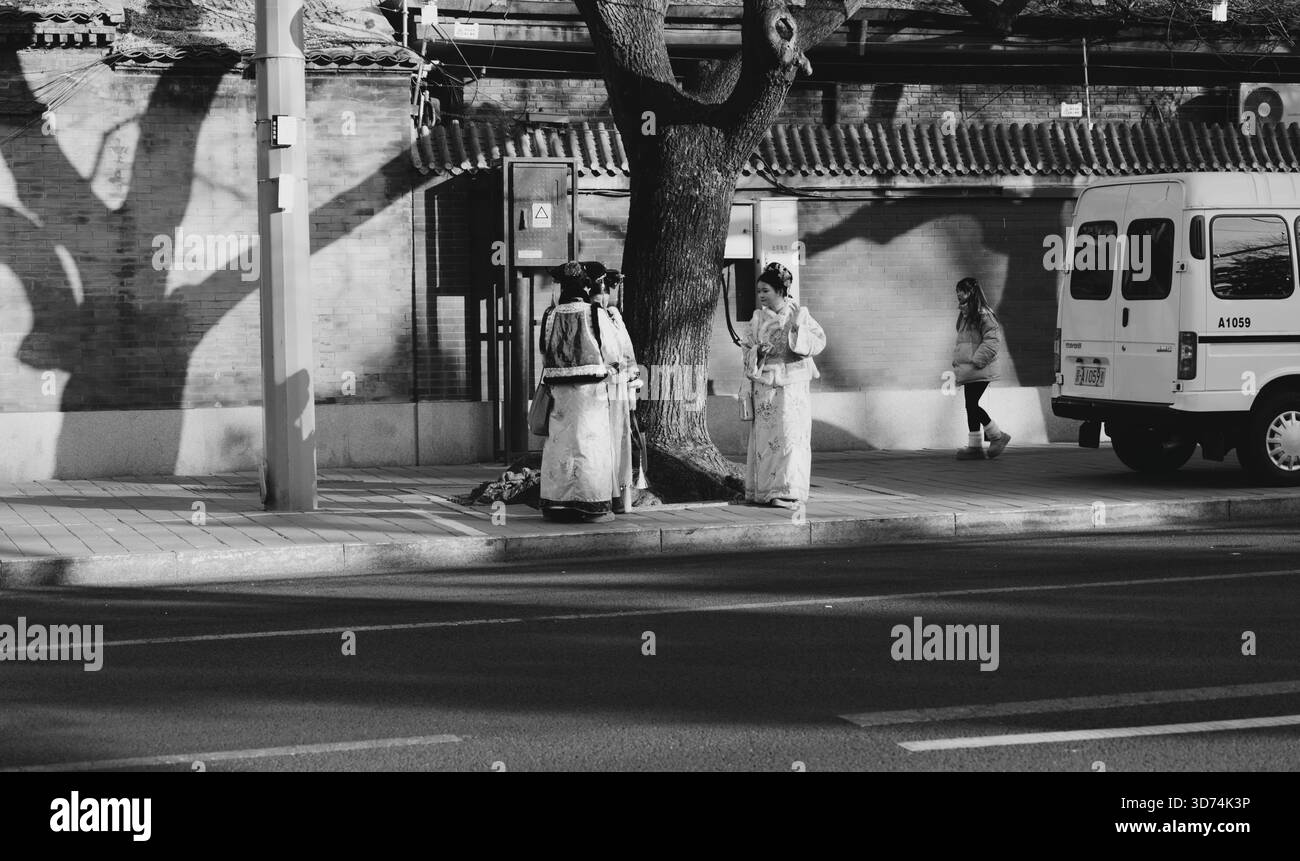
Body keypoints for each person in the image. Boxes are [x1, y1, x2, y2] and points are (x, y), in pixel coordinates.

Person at [538, 261, 618, 523]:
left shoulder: (551, 315)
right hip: (591, 394)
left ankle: (557, 504)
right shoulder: (595, 313)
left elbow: (544, 353)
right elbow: (611, 352)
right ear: (586, 285)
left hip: (560, 395)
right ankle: (591, 505)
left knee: (560, 446)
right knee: (590, 447)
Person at [741, 262, 826, 508]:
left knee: (791, 439)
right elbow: (746, 348)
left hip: (792, 388)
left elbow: (818, 342)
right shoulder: (757, 319)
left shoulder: (799, 313)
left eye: (765, 290)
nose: (761, 296)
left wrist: (797, 330)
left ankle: (789, 491)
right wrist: (758, 351)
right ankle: (766, 490)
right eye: (759, 291)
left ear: (781, 290)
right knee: (767, 441)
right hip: (766, 385)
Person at [951, 276, 1012, 460]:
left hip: (980, 368)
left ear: (971, 292)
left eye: (961, 290)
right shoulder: (965, 314)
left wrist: (976, 360)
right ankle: (975, 447)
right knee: (970, 406)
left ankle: (997, 436)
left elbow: (992, 341)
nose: (958, 294)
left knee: (972, 404)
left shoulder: (983, 314)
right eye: (957, 291)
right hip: (970, 369)